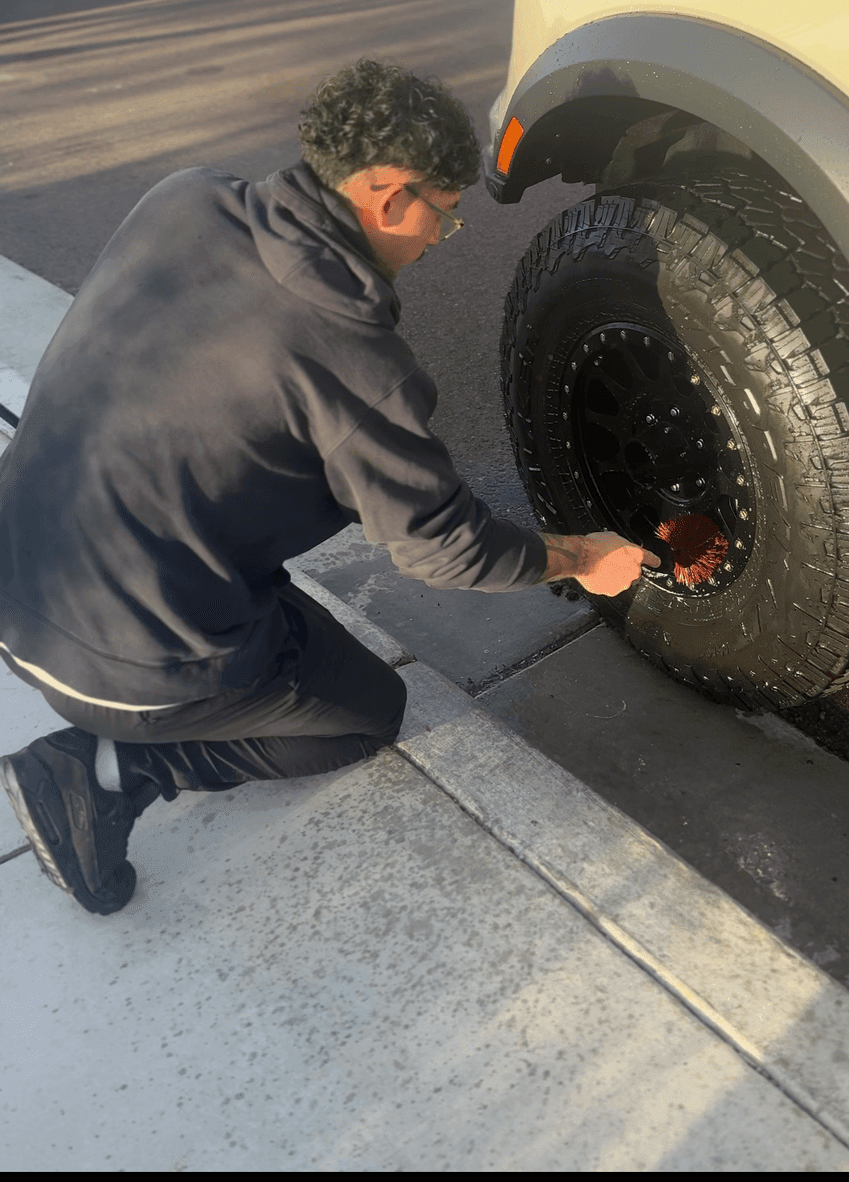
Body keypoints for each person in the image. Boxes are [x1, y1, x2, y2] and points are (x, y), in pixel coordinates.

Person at [0, 58, 658, 916]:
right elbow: (442, 546)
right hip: (126, 662)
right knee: (366, 711)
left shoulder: (186, 197)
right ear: (390, 198)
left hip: (17, 578)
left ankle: (155, 703)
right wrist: (579, 558)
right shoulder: (351, 356)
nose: (435, 241)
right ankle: (109, 770)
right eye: (444, 219)